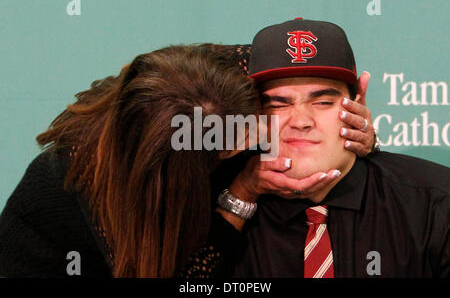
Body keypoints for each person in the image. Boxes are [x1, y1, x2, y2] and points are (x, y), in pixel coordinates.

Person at [0, 43, 375, 277]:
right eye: (234, 145)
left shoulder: (235, 68)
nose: (262, 139)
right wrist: (243, 190)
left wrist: (358, 133)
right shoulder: (92, 187)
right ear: (188, 168)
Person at [204, 18, 449, 278]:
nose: (300, 121)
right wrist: (240, 196)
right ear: (255, 115)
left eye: (322, 102)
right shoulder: (213, 199)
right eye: (278, 105)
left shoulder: (435, 203)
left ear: (358, 103)